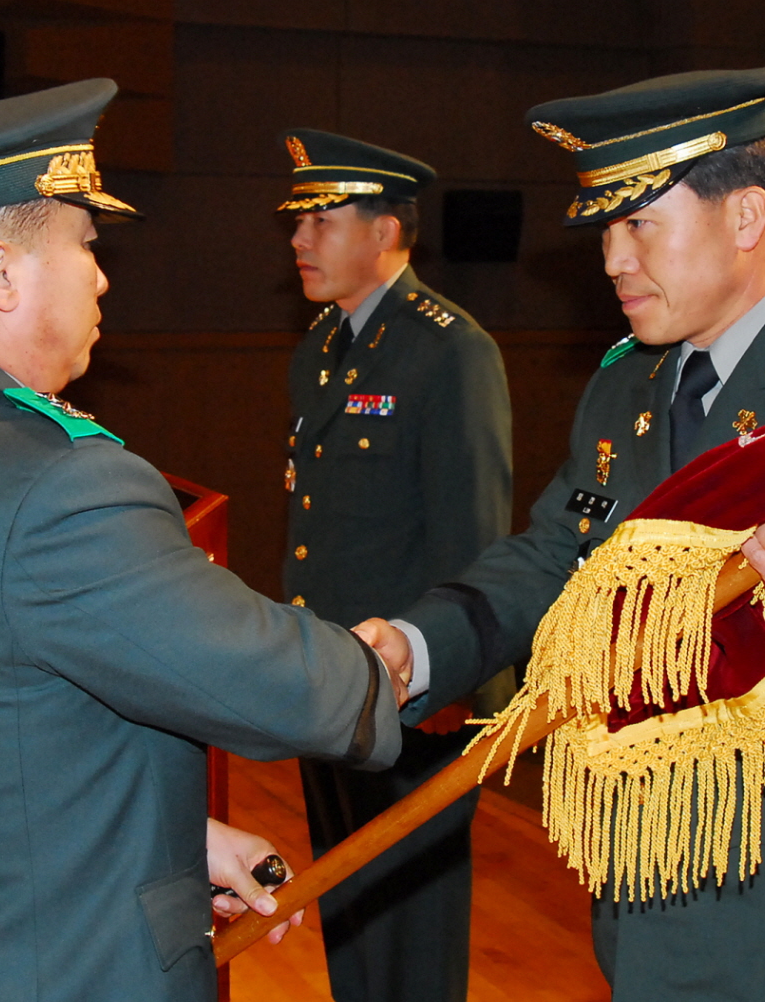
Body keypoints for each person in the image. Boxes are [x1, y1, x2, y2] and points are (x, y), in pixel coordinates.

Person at [0, 79, 406, 1002]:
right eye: (84, 243)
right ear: (1, 273)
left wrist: (168, 839)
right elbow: (279, 685)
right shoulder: (53, 480)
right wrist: (382, 666)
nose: (103, 272)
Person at [358, 67, 765, 1001]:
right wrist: (418, 646)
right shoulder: (631, 379)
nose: (611, 260)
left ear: (744, 216)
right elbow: (556, 554)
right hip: (642, 881)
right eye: (607, 231)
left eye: (639, 226)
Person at [277, 129, 513, 1002]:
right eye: (297, 221)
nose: (299, 239)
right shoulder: (322, 350)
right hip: (333, 681)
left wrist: (458, 682)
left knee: (413, 931)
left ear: (385, 232)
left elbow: (477, 538)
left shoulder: (451, 350)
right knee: (348, 906)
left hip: (420, 699)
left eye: (322, 218)